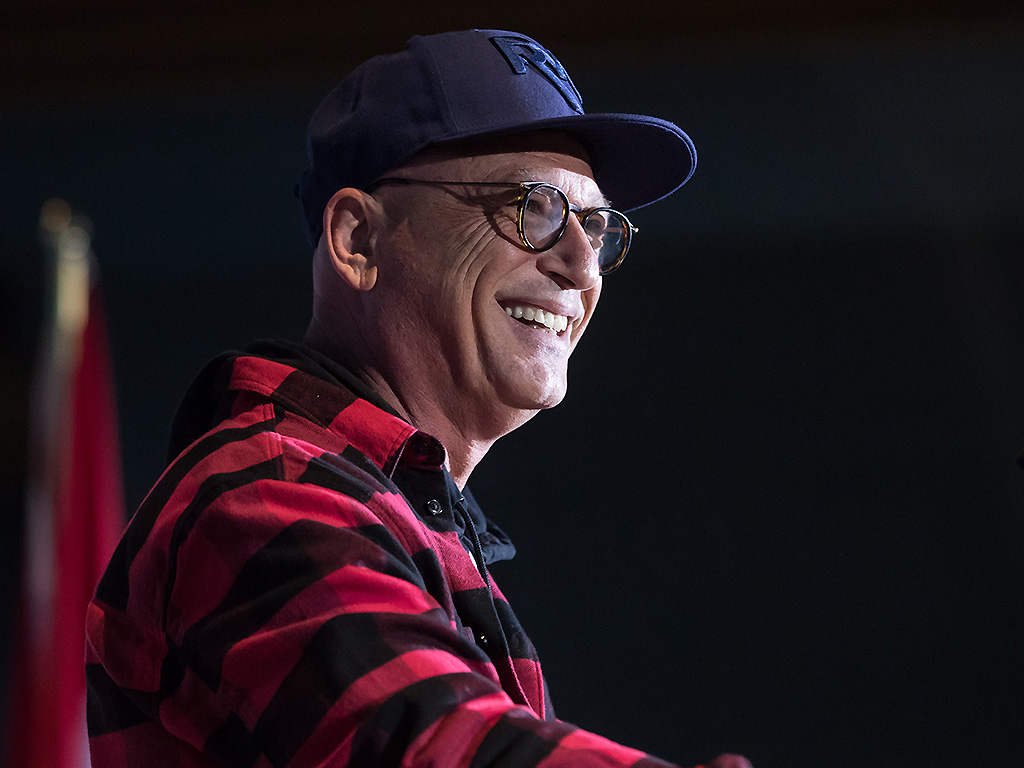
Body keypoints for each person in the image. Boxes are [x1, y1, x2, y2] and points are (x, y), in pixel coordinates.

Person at [85, 29, 751, 768]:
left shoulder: (398, 519)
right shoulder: (265, 495)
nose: (581, 267)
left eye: (594, 227)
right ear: (358, 240)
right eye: (533, 207)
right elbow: (431, 746)